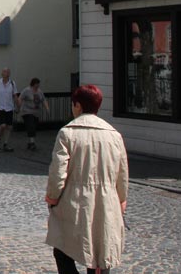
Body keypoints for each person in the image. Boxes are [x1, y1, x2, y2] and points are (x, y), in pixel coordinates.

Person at [46, 85, 129, 274]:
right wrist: (121, 201)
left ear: (77, 105)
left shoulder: (67, 133)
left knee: (63, 250)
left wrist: (52, 198)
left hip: (74, 201)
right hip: (107, 201)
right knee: (100, 254)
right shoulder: (114, 135)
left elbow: (58, 173)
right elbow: (122, 174)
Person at [0, 68, 18, 151]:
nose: (7, 73)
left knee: (9, 127)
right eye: (5, 72)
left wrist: (18, 106)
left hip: (9, 107)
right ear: (2, 74)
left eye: (8, 72)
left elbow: (15, 96)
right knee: (3, 125)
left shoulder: (12, 83)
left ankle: (5, 143)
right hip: (0, 107)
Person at [20, 77, 50, 150]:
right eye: (36, 84)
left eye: (38, 85)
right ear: (33, 84)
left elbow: (43, 100)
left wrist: (47, 108)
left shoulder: (39, 92)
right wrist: (18, 107)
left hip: (36, 112)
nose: (37, 86)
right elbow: (20, 98)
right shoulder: (27, 90)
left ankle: (30, 142)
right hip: (27, 111)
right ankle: (32, 142)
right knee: (31, 125)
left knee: (34, 126)